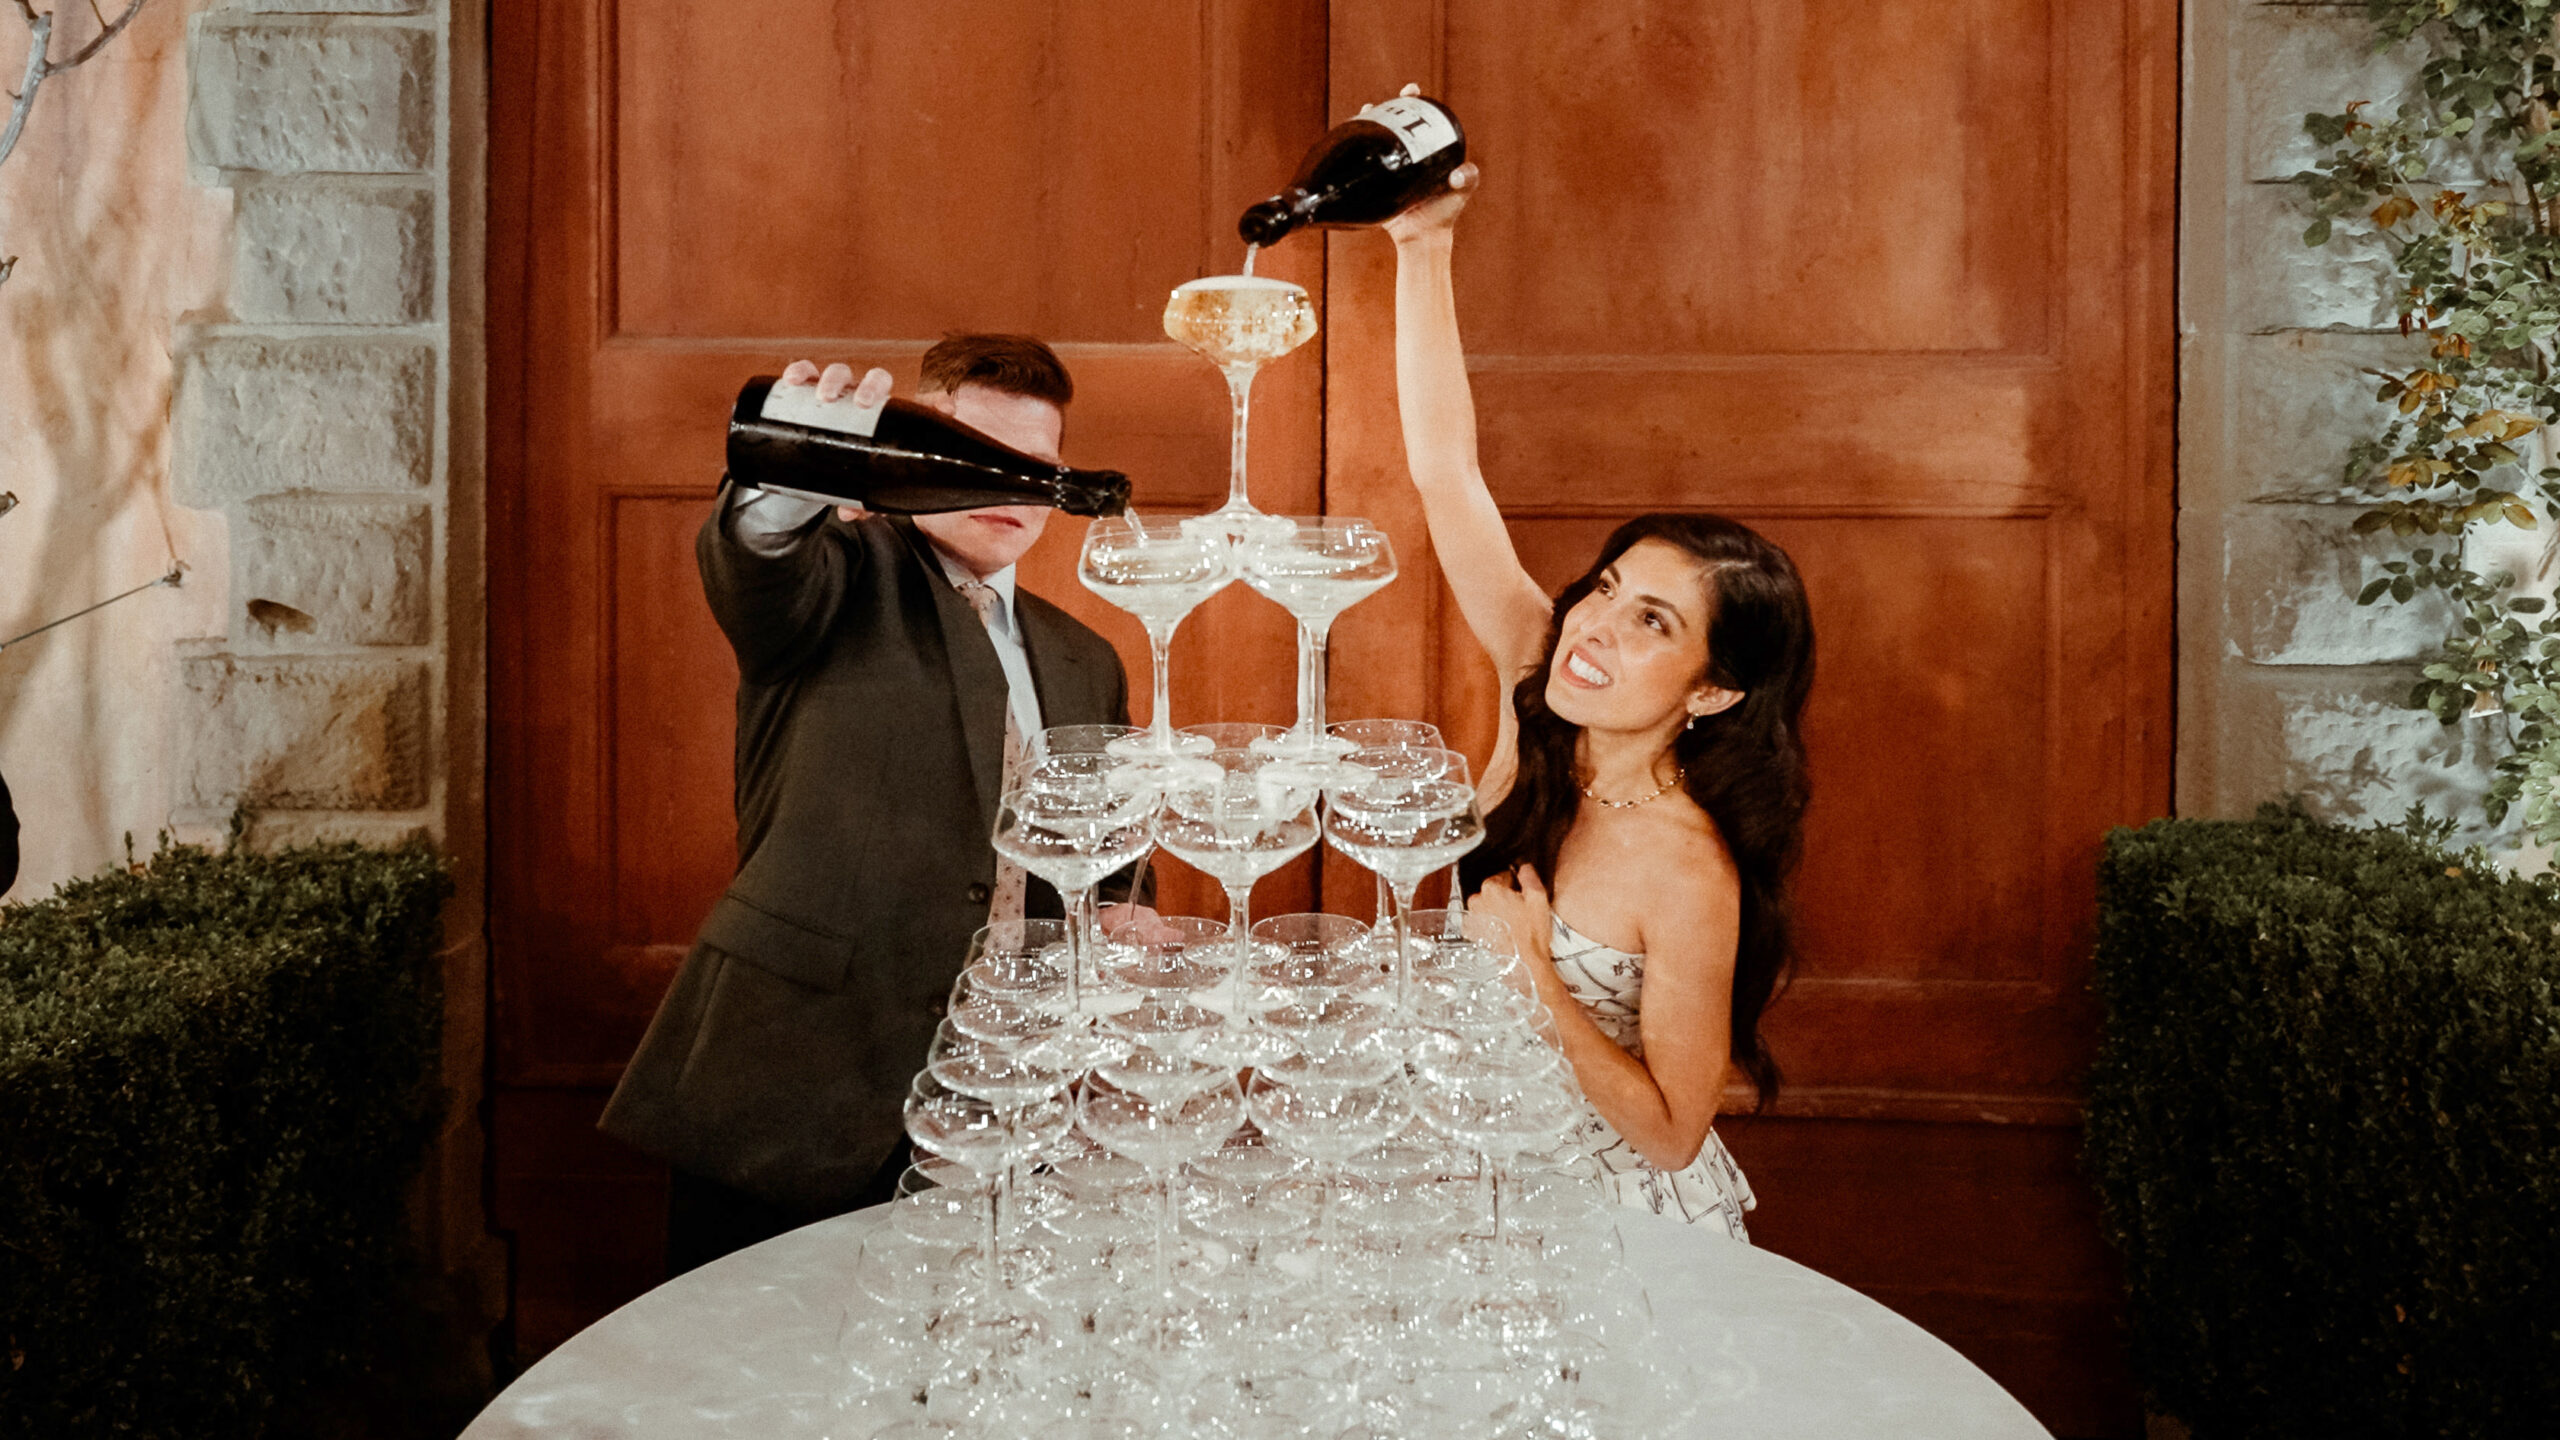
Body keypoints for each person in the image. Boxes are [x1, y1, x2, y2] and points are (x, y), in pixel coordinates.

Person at [601, 333, 1149, 1274]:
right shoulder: (838, 575)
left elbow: (1109, 857)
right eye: (985, 457)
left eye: (1037, 469)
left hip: (1006, 1102)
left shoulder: (1084, 657)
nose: (1012, 488)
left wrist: (1124, 914)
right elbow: (756, 557)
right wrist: (792, 475)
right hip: (800, 1089)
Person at [1384, 162, 1816, 1240]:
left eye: (1652, 625)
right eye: (1608, 590)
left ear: (1714, 690)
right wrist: (1422, 249)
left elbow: (1671, 1130)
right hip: (1464, 1181)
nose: (1596, 630)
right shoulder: (1541, 681)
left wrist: (1531, 972)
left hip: (1612, 1234)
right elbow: (1446, 472)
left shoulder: (1687, 868)